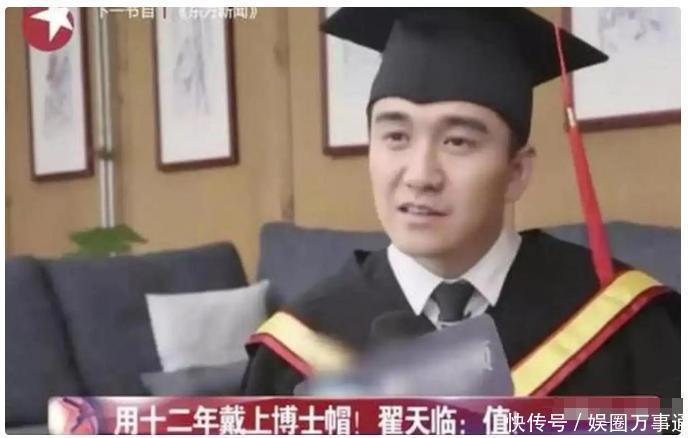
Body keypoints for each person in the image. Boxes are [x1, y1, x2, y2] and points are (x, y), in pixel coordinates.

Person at [241, 7, 680, 398]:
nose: (420, 175)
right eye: (396, 136)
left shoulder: (623, 325)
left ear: (516, 172)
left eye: (458, 141)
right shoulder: (296, 348)